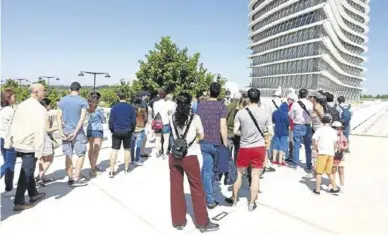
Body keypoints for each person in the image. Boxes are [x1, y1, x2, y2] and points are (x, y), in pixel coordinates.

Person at [169, 92, 219, 232]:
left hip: (174, 156)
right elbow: (201, 135)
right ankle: (202, 222)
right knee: (197, 189)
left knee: (176, 188)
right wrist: (193, 141)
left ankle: (178, 221)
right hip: (190, 155)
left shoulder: (172, 117)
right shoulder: (195, 118)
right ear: (190, 103)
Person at [226, 88, 272, 211]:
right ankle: (251, 203)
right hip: (259, 147)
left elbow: (235, 131)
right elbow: (270, 132)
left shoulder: (241, 112)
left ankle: (234, 199)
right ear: (259, 98)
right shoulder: (265, 113)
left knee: (239, 174)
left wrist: (245, 133)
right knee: (255, 175)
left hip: (245, 146)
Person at [5, 83, 47, 211]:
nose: (45, 93)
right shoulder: (40, 109)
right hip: (30, 144)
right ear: (36, 92)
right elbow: (40, 131)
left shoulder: (21, 105)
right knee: (27, 172)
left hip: (18, 142)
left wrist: (9, 141)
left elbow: (11, 124)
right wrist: (39, 150)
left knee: (28, 169)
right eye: (43, 91)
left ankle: (33, 194)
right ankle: (19, 201)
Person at [197, 82, 228, 209]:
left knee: (207, 169)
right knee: (213, 170)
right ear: (219, 92)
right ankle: (209, 195)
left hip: (204, 141)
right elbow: (223, 127)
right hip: (217, 142)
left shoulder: (201, 106)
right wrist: (225, 144)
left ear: (209, 91)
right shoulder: (222, 107)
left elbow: (197, 122)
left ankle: (206, 196)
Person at [57, 82, 89, 187]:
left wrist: (61, 132)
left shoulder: (63, 100)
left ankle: (70, 177)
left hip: (65, 130)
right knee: (81, 154)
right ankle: (76, 177)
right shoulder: (82, 101)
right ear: (79, 89)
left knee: (68, 154)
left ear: (70, 89)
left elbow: (58, 117)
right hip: (77, 131)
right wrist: (75, 132)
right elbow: (82, 118)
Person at [108, 91, 136, 177]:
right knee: (127, 150)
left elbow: (111, 121)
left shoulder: (114, 108)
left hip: (117, 131)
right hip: (127, 130)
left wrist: (112, 130)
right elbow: (133, 121)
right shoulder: (131, 108)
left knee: (114, 150)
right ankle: (126, 169)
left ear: (118, 97)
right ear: (126, 97)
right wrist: (132, 129)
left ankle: (112, 171)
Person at [312, 114, 340, 195]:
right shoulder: (333, 131)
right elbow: (335, 144)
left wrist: (316, 148)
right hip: (330, 153)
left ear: (322, 121)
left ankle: (317, 190)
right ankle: (334, 188)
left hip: (322, 153)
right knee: (329, 172)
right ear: (330, 121)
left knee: (319, 172)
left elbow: (314, 140)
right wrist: (333, 151)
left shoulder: (320, 130)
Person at [289, 88, 313, 171]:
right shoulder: (310, 103)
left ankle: (295, 163)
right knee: (307, 146)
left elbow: (291, 115)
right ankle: (308, 164)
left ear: (299, 95)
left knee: (296, 145)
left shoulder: (295, 104)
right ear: (306, 95)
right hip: (307, 125)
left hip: (298, 125)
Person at [36, 98, 57, 186]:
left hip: (37, 137)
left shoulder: (36, 114)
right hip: (45, 138)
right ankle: (39, 177)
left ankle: (42, 177)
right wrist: (58, 127)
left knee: (41, 159)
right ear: (47, 105)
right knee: (49, 159)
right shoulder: (46, 114)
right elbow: (47, 129)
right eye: (50, 104)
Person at [0, 88, 17, 196]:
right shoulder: (10, 111)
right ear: (8, 98)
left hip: (1, 138)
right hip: (9, 139)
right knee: (9, 164)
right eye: (14, 96)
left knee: (8, 164)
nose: (15, 98)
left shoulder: (3, 110)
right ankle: (9, 188)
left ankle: (9, 188)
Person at [86, 92, 106, 177]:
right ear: (97, 100)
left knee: (90, 149)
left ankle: (92, 166)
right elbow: (103, 119)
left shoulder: (87, 108)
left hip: (89, 129)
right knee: (96, 151)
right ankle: (93, 169)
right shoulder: (99, 109)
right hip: (98, 129)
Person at [152, 90, 173, 159]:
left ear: (159, 95)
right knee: (166, 139)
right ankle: (164, 153)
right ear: (165, 96)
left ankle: (158, 152)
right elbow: (170, 112)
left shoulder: (155, 103)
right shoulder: (167, 104)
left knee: (158, 138)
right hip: (165, 122)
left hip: (157, 123)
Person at [331, 121, 348, 193]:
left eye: (341, 129)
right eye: (338, 129)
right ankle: (332, 184)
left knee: (341, 171)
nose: (340, 130)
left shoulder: (343, 136)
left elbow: (347, 144)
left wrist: (345, 147)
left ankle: (342, 185)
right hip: (333, 155)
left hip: (341, 155)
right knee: (333, 171)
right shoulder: (331, 137)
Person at [131, 97, 148, 166]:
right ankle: (137, 159)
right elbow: (146, 118)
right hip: (140, 129)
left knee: (132, 146)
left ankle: (131, 159)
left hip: (132, 129)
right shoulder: (143, 110)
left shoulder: (131, 110)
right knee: (138, 146)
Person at [271, 102, 290, 166]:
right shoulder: (286, 114)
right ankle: (280, 161)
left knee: (275, 145)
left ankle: (274, 160)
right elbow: (288, 123)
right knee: (282, 146)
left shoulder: (275, 112)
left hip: (276, 131)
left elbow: (273, 120)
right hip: (284, 132)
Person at [226, 92, 242, 161]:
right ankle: (236, 167)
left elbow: (224, 119)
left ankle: (228, 167)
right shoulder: (242, 108)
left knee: (228, 151)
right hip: (238, 132)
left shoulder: (228, 106)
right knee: (237, 150)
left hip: (229, 131)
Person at [285, 93, 297, 162]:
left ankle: (290, 155)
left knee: (290, 141)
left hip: (291, 125)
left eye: (290, 99)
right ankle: (291, 154)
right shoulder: (293, 106)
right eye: (288, 99)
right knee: (291, 141)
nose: (289, 100)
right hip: (292, 125)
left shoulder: (291, 106)